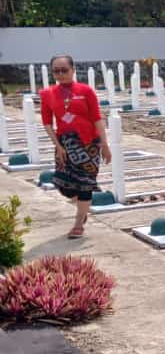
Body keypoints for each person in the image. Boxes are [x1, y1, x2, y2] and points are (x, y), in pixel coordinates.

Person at [40, 54, 112, 239]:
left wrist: (105, 144)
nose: (60, 74)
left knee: (85, 185)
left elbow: (96, 118)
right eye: (56, 70)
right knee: (63, 185)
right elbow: (47, 123)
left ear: (73, 70)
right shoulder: (47, 94)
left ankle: (79, 222)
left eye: (64, 70)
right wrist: (58, 146)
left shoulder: (85, 91)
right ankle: (83, 207)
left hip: (89, 144)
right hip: (65, 143)